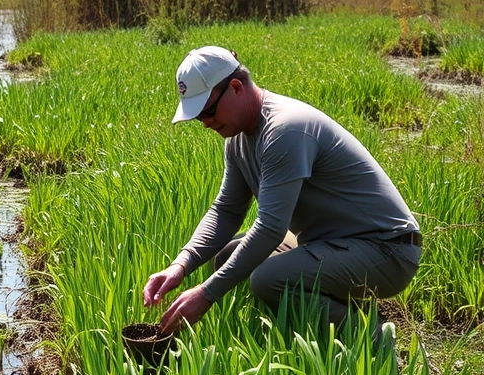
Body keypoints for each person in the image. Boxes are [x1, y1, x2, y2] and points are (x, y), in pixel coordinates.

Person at [143, 46, 421, 337]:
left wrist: (206, 293)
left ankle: (370, 338)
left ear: (236, 87)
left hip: (387, 249)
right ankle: (315, 318)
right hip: (332, 238)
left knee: (269, 278)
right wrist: (180, 266)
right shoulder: (238, 140)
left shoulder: (285, 130)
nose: (207, 123)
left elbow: (270, 228)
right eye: (199, 117)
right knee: (228, 257)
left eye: (208, 111)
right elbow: (226, 210)